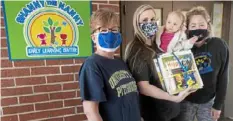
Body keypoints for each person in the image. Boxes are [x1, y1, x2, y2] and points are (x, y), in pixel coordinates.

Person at [124, 4, 195, 121]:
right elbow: (143, 87)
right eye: (144, 20)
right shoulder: (136, 49)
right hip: (155, 113)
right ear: (137, 24)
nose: (150, 23)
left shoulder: (158, 43)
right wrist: (173, 98)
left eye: (152, 19)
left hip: (173, 109)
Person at [79, 8, 141, 121]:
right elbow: (91, 112)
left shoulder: (120, 62)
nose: (110, 34)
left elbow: (129, 97)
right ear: (93, 37)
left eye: (114, 29)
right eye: (103, 30)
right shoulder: (92, 65)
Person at [174, 6, 229, 121]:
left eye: (201, 24)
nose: (197, 28)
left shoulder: (219, 45)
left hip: (208, 101)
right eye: (193, 25)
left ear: (208, 26)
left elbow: (223, 77)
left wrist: (218, 105)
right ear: (187, 29)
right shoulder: (181, 48)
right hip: (185, 100)